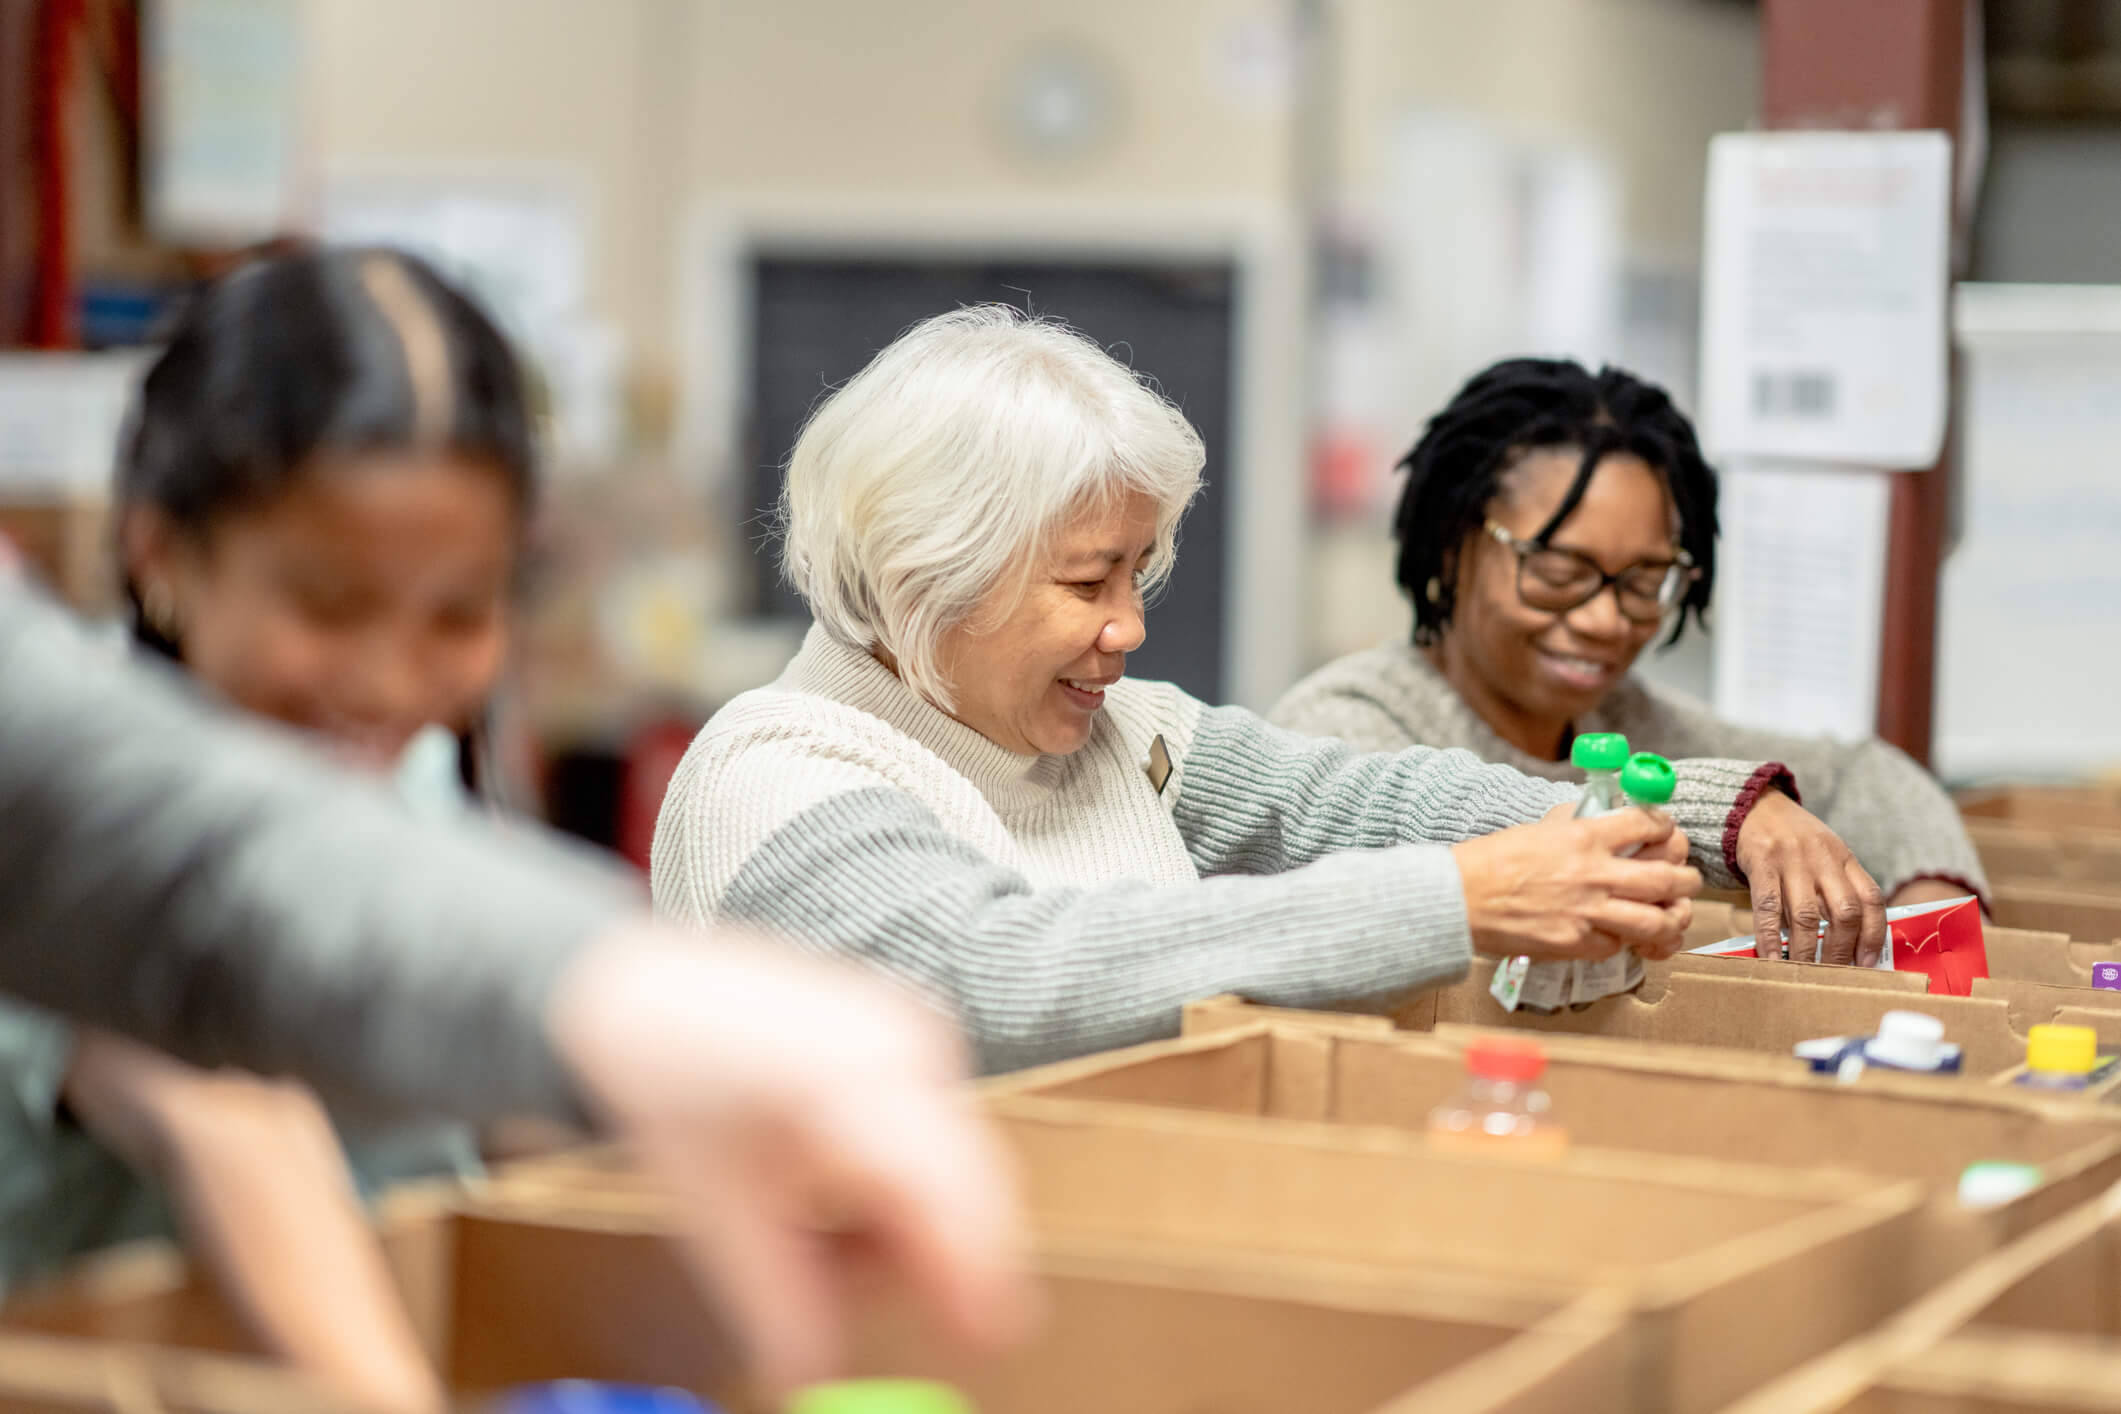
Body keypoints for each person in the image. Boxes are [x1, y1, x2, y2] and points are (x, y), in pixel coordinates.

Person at [650, 308, 1882, 1073]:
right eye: (1088, 581)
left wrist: (1703, 818)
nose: (1130, 625)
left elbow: (1352, 800)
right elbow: (1000, 981)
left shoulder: (1118, 735)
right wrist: (1453, 901)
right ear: (932, 575)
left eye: (1138, 571)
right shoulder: (779, 778)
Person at [0, 576, 1026, 1396]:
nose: (389, 678)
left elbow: (476, 1100)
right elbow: (228, 1101)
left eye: (458, 614)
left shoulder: (409, 779)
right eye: (329, 599)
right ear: (170, 556)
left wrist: (605, 1043)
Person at [1270, 358, 1982, 963]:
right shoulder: (1343, 720)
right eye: (1555, 572)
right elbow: (1450, 838)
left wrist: (1931, 900)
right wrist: (1727, 815)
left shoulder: (1619, 718)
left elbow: (1866, 777)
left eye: (1645, 583)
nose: (1603, 620)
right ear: (1454, 546)